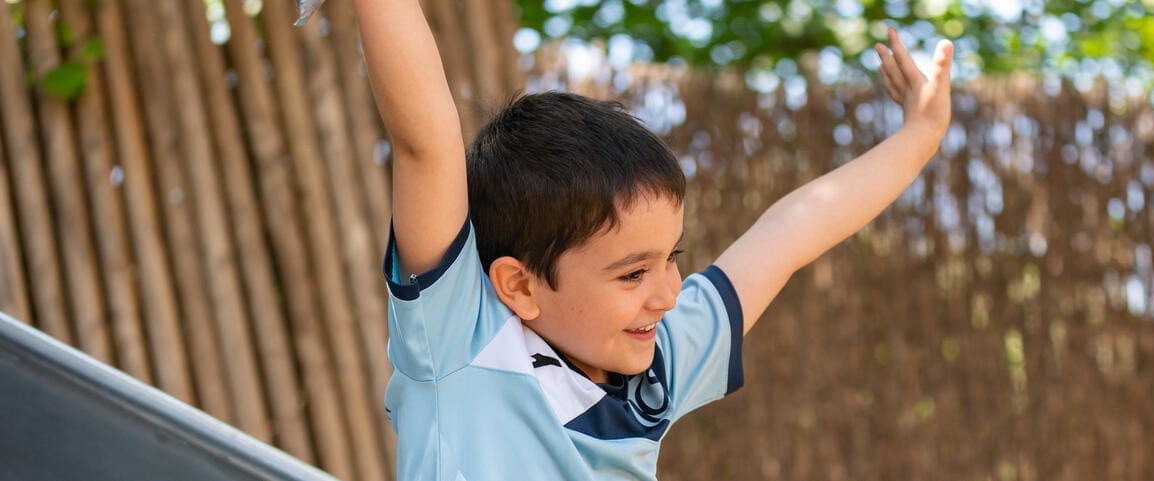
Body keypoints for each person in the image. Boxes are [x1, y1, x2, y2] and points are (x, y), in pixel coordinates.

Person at [351, 0, 953, 478]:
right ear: (518, 285)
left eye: (674, 259)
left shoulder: (655, 359)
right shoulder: (461, 341)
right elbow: (424, 143)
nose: (668, 294)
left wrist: (920, 137)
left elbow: (790, 233)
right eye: (633, 273)